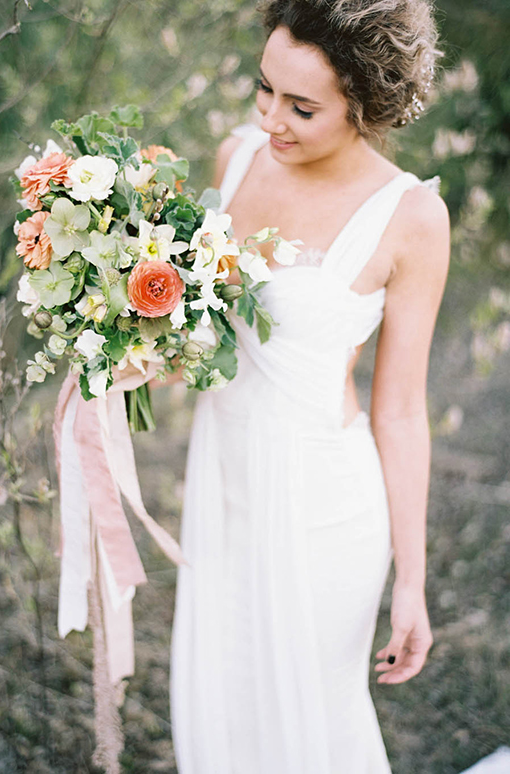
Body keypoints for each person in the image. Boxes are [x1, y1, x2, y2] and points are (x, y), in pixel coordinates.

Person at [169, 1, 451, 772]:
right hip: (221, 484)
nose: (272, 120)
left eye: (302, 107)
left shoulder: (412, 218)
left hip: (323, 511)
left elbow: (399, 410)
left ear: (367, 106)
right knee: (224, 702)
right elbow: (204, 326)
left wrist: (412, 582)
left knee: (310, 722)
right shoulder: (236, 157)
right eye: (265, 90)